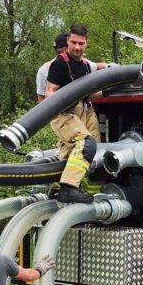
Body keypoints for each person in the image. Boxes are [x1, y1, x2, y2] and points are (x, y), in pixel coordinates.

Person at [45, 23, 111, 203]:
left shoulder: (85, 66)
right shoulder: (59, 64)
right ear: (68, 42)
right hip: (64, 113)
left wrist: (108, 91)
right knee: (86, 143)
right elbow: (49, 92)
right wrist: (63, 103)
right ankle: (69, 188)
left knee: (87, 151)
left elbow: (89, 94)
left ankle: (58, 189)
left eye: (81, 44)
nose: (77, 47)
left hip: (83, 110)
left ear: (86, 44)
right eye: (73, 42)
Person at [36, 34, 68, 103]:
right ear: (65, 49)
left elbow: (40, 99)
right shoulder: (44, 70)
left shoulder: (42, 70)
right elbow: (41, 100)